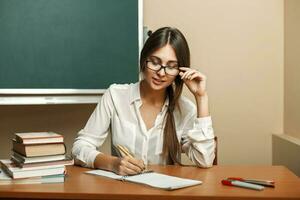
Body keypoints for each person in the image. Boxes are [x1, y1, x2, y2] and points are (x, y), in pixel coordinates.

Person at [72, 27, 216, 175]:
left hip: (165, 194)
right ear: (143, 59)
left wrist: (201, 97)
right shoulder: (115, 96)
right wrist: (112, 163)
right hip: (123, 191)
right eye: (155, 62)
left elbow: (204, 160)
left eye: (171, 67)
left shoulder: (185, 109)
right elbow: (80, 148)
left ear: (180, 71)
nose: (161, 73)